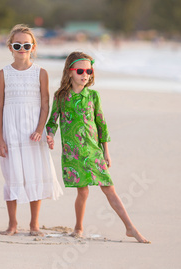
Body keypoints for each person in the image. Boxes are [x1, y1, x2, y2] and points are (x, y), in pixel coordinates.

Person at [46, 51, 150, 243]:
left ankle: (130, 227)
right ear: (69, 72)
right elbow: (52, 121)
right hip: (74, 152)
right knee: (83, 191)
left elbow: (101, 125)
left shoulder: (93, 96)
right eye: (80, 71)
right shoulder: (60, 97)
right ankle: (78, 227)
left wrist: (106, 152)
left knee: (109, 188)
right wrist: (50, 135)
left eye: (89, 71)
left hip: (94, 151)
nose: (85, 75)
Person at [0, 24, 62, 236]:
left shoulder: (41, 73)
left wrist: (40, 130)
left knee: (34, 174)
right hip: (11, 132)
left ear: (33, 47)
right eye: (17, 45)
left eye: (26, 45)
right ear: (10, 48)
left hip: (33, 133)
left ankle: (34, 225)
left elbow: (45, 104)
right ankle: (12, 224)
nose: (22, 48)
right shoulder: (3, 73)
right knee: (12, 175)